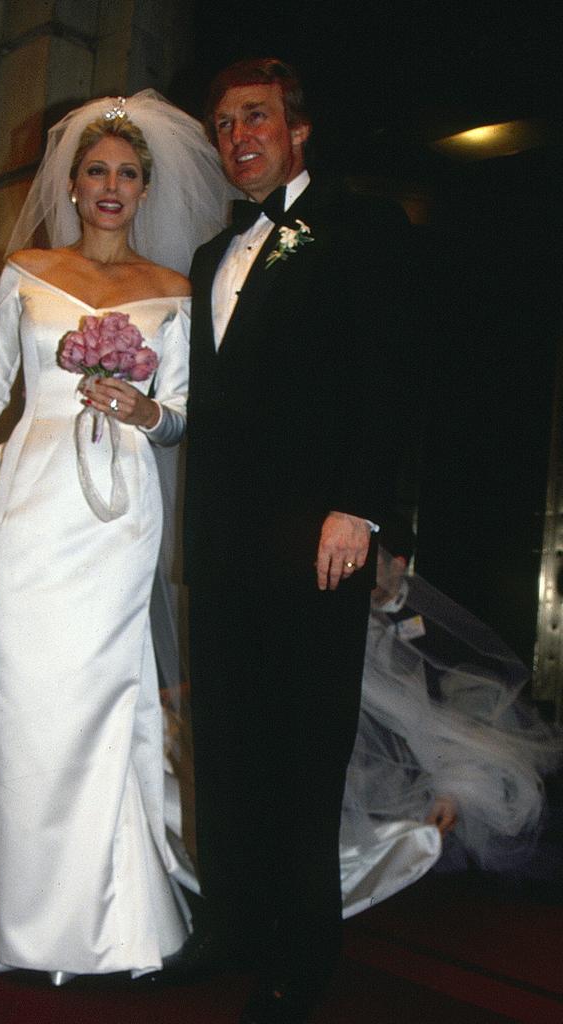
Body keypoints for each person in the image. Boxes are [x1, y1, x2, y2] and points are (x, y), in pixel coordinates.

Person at [0, 91, 233, 981]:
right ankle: (22, 917)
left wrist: (146, 407)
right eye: (96, 171)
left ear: (146, 189)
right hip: (32, 509)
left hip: (119, 521)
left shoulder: (175, 290)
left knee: (108, 704)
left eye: (127, 174)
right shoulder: (26, 271)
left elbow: (186, 416)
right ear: (71, 185)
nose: (111, 187)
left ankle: (121, 919)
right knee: (30, 713)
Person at [184, 59, 411, 1022]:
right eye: (226, 121)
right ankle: (232, 925)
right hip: (223, 541)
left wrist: (360, 507)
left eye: (259, 117)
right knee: (227, 740)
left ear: (299, 129)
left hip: (318, 537)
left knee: (302, 748)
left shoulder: (362, 228)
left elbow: (393, 377)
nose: (241, 134)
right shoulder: (207, 258)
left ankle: (302, 949)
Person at [345, 531, 563, 874]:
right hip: (397, 747)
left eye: (371, 563)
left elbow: (472, 696)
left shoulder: (436, 614)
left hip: (451, 730)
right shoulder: (354, 617)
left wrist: (456, 786)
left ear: (398, 566)